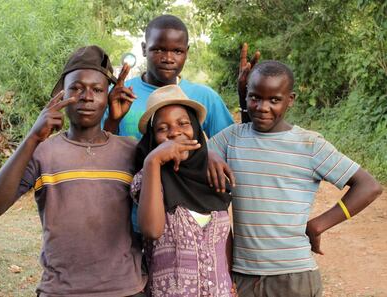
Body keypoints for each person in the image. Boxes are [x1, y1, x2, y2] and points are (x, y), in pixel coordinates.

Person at [208, 60, 382, 297]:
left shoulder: (309, 144)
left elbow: (369, 186)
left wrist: (318, 224)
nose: (262, 107)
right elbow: (194, 156)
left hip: (293, 276)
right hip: (243, 276)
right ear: (245, 96)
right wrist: (207, 154)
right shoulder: (232, 138)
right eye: (254, 97)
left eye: (274, 100)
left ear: (290, 99)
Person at [0, 46, 147, 297]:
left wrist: (208, 154)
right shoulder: (42, 153)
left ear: (108, 97)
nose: (87, 97)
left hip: (125, 288)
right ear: (61, 94)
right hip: (61, 290)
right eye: (76, 88)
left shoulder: (131, 149)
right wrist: (32, 138)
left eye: (98, 89)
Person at [131, 85, 236, 296]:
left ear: (196, 128)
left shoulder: (211, 174)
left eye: (183, 123)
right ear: (152, 138)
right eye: (162, 128)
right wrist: (153, 160)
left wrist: (230, 278)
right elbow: (151, 230)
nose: (175, 132)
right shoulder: (150, 177)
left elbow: (224, 237)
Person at [102, 14, 234, 140]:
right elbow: (95, 147)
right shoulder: (119, 95)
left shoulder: (206, 97)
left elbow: (230, 146)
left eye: (177, 51)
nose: (168, 59)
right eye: (158, 50)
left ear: (186, 52)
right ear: (144, 49)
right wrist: (113, 121)